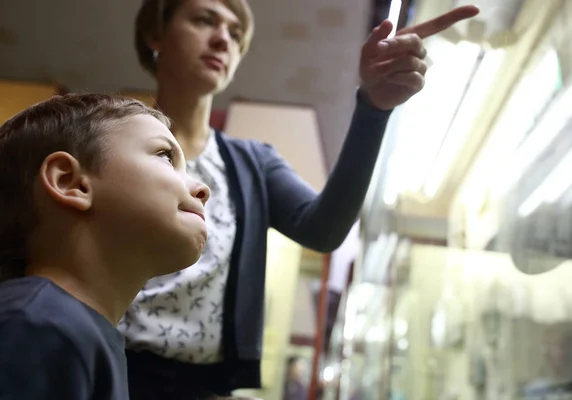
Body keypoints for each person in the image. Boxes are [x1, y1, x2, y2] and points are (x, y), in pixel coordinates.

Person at [123, 0, 480, 398]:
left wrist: (373, 109)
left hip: (206, 387)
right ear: (156, 33)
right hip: (106, 374)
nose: (223, 38)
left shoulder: (251, 164)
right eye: (205, 20)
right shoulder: (113, 142)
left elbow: (324, 230)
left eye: (236, 33)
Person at [0, 93, 210, 399]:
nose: (202, 189)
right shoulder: (35, 325)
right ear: (70, 181)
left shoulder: (69, 330)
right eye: (165, 156)